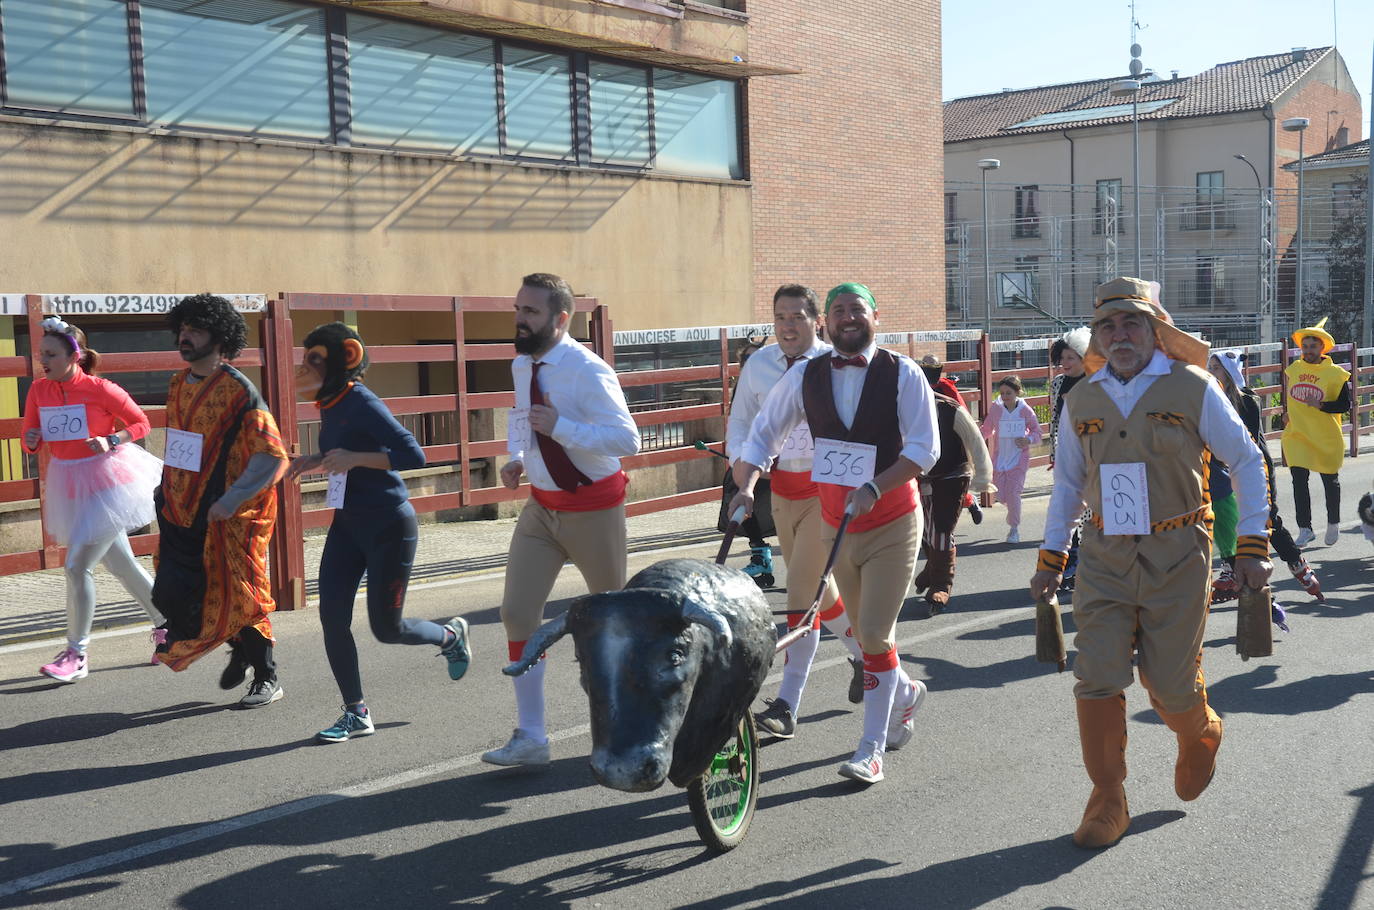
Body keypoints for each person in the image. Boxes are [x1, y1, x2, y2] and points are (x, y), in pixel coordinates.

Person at [1029, 277, 1272, 849]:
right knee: (1096, 677)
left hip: (1179, 552)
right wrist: (1051, 557)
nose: (1119, 336)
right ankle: (1108, 798)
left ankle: (1200, 730)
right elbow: (1066, 484)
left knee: (1168, 682)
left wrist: (1254, 544)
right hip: (1105, 557)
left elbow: (1247, 460)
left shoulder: (1192, 386)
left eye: (1131, 324)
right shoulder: (1081, 397)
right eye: (1107, 327)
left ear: (1155, 330)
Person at [731, 282, 939, 785]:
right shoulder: (807, 374)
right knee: (859, 628)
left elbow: (924, 448)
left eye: (857, 309)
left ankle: (870, 750)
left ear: (875, 316)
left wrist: (876, 484)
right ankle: (905, 694)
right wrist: (746, 485)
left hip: (891, 521)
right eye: (839, 310)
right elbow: (764, 433)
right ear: (829, 320)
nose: (848, 317)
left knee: (872, 632)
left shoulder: (902, 373)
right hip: (835, 523)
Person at [285, 323, 472, 743]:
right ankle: (356, 712)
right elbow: (350, 452)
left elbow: (413, 454)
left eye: (312, 359)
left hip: (389, 525)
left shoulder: (360, 399)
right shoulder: (330, 403)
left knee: (387, 629)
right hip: (348, 525)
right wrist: (318, 458)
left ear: (344, 358)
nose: (302, 368)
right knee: (332, 617)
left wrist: (354, 457)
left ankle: (449, 636)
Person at [483, 273, 640, 767]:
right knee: (517, 613)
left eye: (530, 311)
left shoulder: (587, 370)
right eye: (517, 309)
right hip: (541, 508)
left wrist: (563, 428)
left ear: (561, 318)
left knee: (615, 624)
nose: (519, 319)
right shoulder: (520, 364)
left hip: (594, 510)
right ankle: (531, 737)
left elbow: (626, 441)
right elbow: (526, 422)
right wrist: (520, 459)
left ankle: (633, 727)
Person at [727, 284, 866, 740]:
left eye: (797, 318)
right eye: (780, 318)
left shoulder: (836, 365)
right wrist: (741, 474)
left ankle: (787, 702)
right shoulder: (760, 365)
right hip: (781, 489)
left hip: (825, 491)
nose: (788, 326)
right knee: (817, 594)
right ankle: (867, 658)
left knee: (801, 592)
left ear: (817, 322)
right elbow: (743, 421)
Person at [152, 294, 289, 709]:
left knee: (242, 592)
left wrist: (232, 499)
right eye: (182, 329)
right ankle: (241, 650)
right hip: (183, 512)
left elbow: (271, 455)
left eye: (195, 329)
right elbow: (181, 446)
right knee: (189, 591)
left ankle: (267, 674)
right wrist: (167, 493)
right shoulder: (177, 383)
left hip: (234, 514)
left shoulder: (238, 391)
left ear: (219, 335)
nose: (185, 336)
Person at [22, 317, 166, 682]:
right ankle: (170, 625)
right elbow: (28, 436)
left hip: (107, 483)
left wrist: (111, 440)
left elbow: (141, 424)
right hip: (69, 484)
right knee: (122, 566)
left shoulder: (102, 389)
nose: (43, 359)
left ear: (75, 355)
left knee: (76, 566)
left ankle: (77, 653)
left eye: (51, 354)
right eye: (42, 354)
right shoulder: (39, 390)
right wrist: (33, 439)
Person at [1207, 348, 1318, 607]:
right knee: (1225, 521)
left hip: (1253, 468)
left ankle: (1297, 564)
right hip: (1219, 473)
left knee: (1269, 521)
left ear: (1229, 372)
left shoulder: (1246, 399)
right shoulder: (1208, 399)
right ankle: (1232, 571)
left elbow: (1247, 446)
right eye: (1209, 368)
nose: (1210, 373)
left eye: (1215, 368)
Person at [913, 356, 994, 613]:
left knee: (942, 529)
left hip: (952, 474)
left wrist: (982, 477)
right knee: (924, 529)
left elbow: (975, 441)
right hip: (921, 476)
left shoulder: (949, 408)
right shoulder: (905, 408)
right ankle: (932, 567)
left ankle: (941, 585)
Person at [1282, 318, 1351, 547]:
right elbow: (1291, 397)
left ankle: (1333, 523)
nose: (1308, 351)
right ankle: (1305, 528)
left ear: (1322, 348)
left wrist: (1321, 406)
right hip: (1298, 435)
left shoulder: (1335, 374)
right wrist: (1287, 413)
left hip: (1325, 437)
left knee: (1330, 480)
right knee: (1298, 480)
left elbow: (1345, 405)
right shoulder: (1294, 369)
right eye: (1305, 347)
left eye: (1313, 346)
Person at [1047, 328, 1090, 589]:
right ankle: (1069, 562)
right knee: (1066, 508)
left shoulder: (1095, 382)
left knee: (1089, 514)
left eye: (1072, 358)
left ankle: (1089, 565)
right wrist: (1054, 453)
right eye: (1063, 358)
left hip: (1091, 455)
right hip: (1066, 455)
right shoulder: (1057, 384)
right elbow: (1054, 421)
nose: (1066, 363)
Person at [980, 375, 1042, 543]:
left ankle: (1014, 529)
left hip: (1019, 459)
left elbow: (1037, 432)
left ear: (1017, 392)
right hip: (1000, 459)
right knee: (1001, 496)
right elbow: (987, 429)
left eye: (1009, 393)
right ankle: (1012, 512)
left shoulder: (1025, 410)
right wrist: (974, 438)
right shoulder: (996, 408)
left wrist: (1027, 439)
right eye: (1002, 393)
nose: (1005, 396)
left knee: (1014, 494)